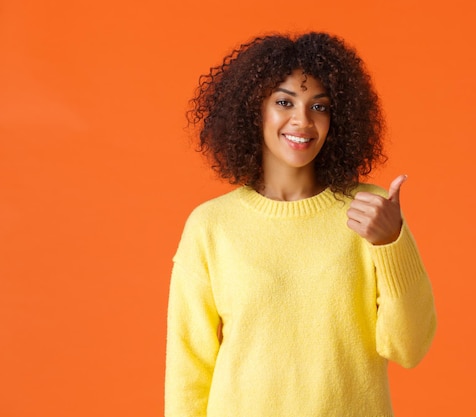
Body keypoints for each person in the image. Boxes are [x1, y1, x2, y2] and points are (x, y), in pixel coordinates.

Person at [165, 32, 436, 417]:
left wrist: (392, 242)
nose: (303, 121)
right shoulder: (211, 225)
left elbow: (409, 348)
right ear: (252, 109)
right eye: (283, 102)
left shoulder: (371, 211)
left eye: (319, 107)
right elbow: (188, 368)